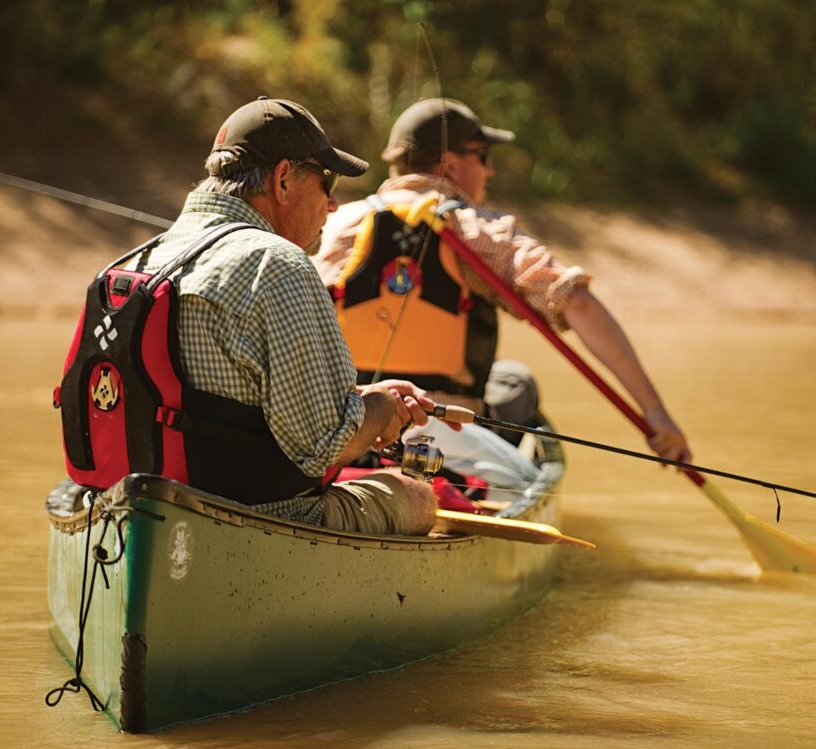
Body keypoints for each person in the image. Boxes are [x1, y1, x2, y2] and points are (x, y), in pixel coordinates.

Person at [125, 97, 460, 534]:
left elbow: (226, 399)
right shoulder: (279, 264)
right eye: (327, 181)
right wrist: (380, 409)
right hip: (259, 518)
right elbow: (324, 447)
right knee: (416, 495)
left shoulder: (141, 258)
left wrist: (366, 395)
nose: (334, 203)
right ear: (283, 180)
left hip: (140, 507)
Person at [314, 98, 691, 464]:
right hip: (446, 431)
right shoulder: (478, 231)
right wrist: (655, 413)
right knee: (517, 381)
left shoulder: (336, 224)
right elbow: (576, 302)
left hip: (354, 426)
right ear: (450, 165)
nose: (490, 171)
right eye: (483, 157)